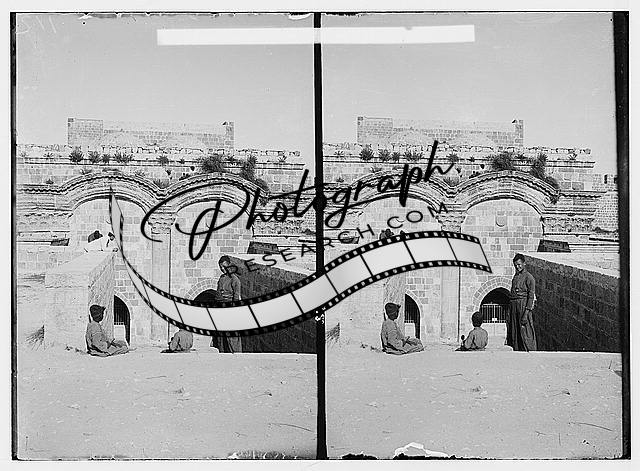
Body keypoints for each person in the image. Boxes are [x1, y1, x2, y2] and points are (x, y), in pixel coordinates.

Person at [210, 255, 243, 353]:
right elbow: (218, 294)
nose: (222, 269)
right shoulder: (221, 278)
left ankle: (236, 354)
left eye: (224, 267)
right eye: (221, 267)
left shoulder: (235, 280)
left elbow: (236, 297)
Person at [507, 254, 537, 351]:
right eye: (515, 265)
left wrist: (526, 313)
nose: (517, 267)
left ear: (524, 263)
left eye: (519, 264)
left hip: (523, 306)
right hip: (514, 306)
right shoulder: (516, 276)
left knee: (526, 332)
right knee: (515, 331)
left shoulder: (529, 278)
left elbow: (531, 296)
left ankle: (529, 352)